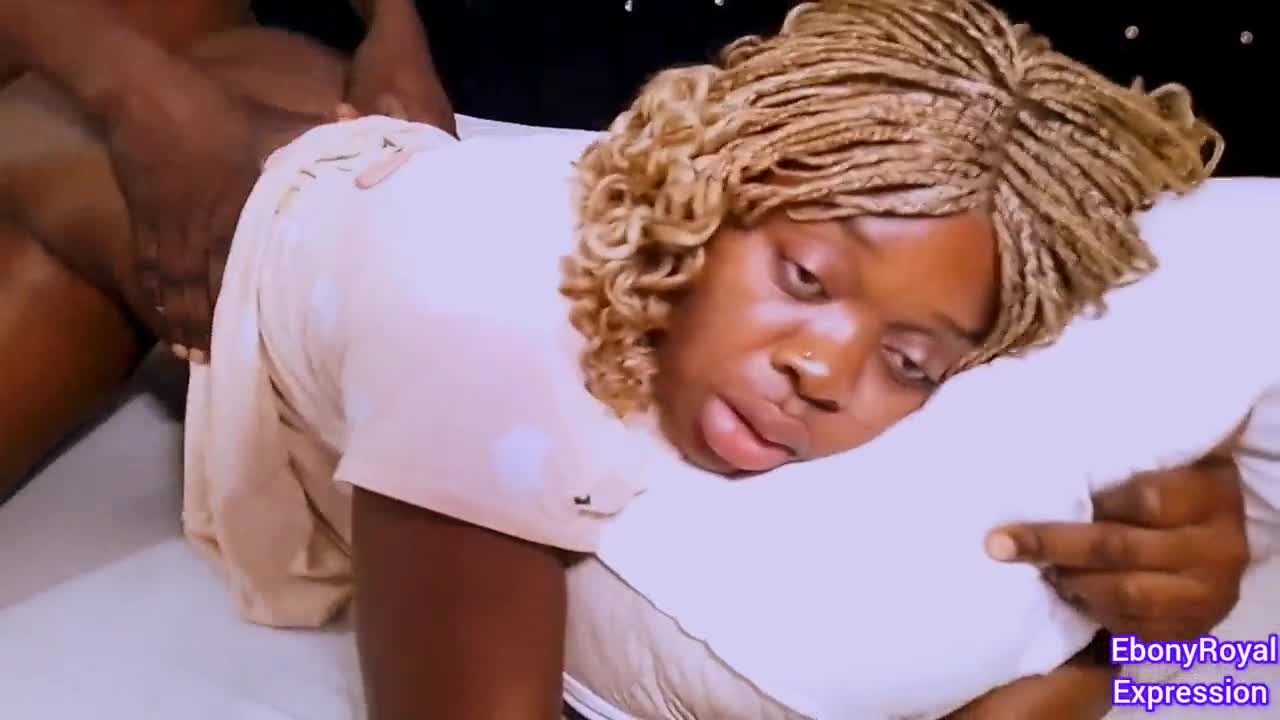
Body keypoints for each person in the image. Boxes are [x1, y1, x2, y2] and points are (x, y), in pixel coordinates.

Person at [0, 0, 1251, 718]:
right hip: (316, 214)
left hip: (383, 179)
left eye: (911, 362)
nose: (825, 372)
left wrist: (1169, 650)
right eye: (803, 279)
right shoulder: (498, 361)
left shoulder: (1038, 438)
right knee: (86, 125)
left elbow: (1212, 668)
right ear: (700, 198)